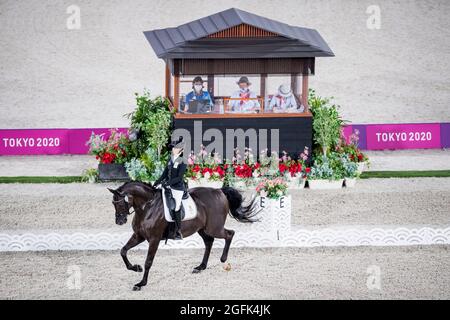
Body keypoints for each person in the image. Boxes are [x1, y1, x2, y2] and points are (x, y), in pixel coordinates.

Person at [153, 137, 187, 240]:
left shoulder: (183, 161)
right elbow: (164, 173)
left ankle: (178, 231)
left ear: (181, 150)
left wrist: (168, 183)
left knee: (176, 207)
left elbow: (179, 178)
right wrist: (157, 182)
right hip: (167, 186)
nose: (173, 149)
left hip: (177, 188)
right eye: (173, 148)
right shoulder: (170, 158)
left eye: (176, 148)